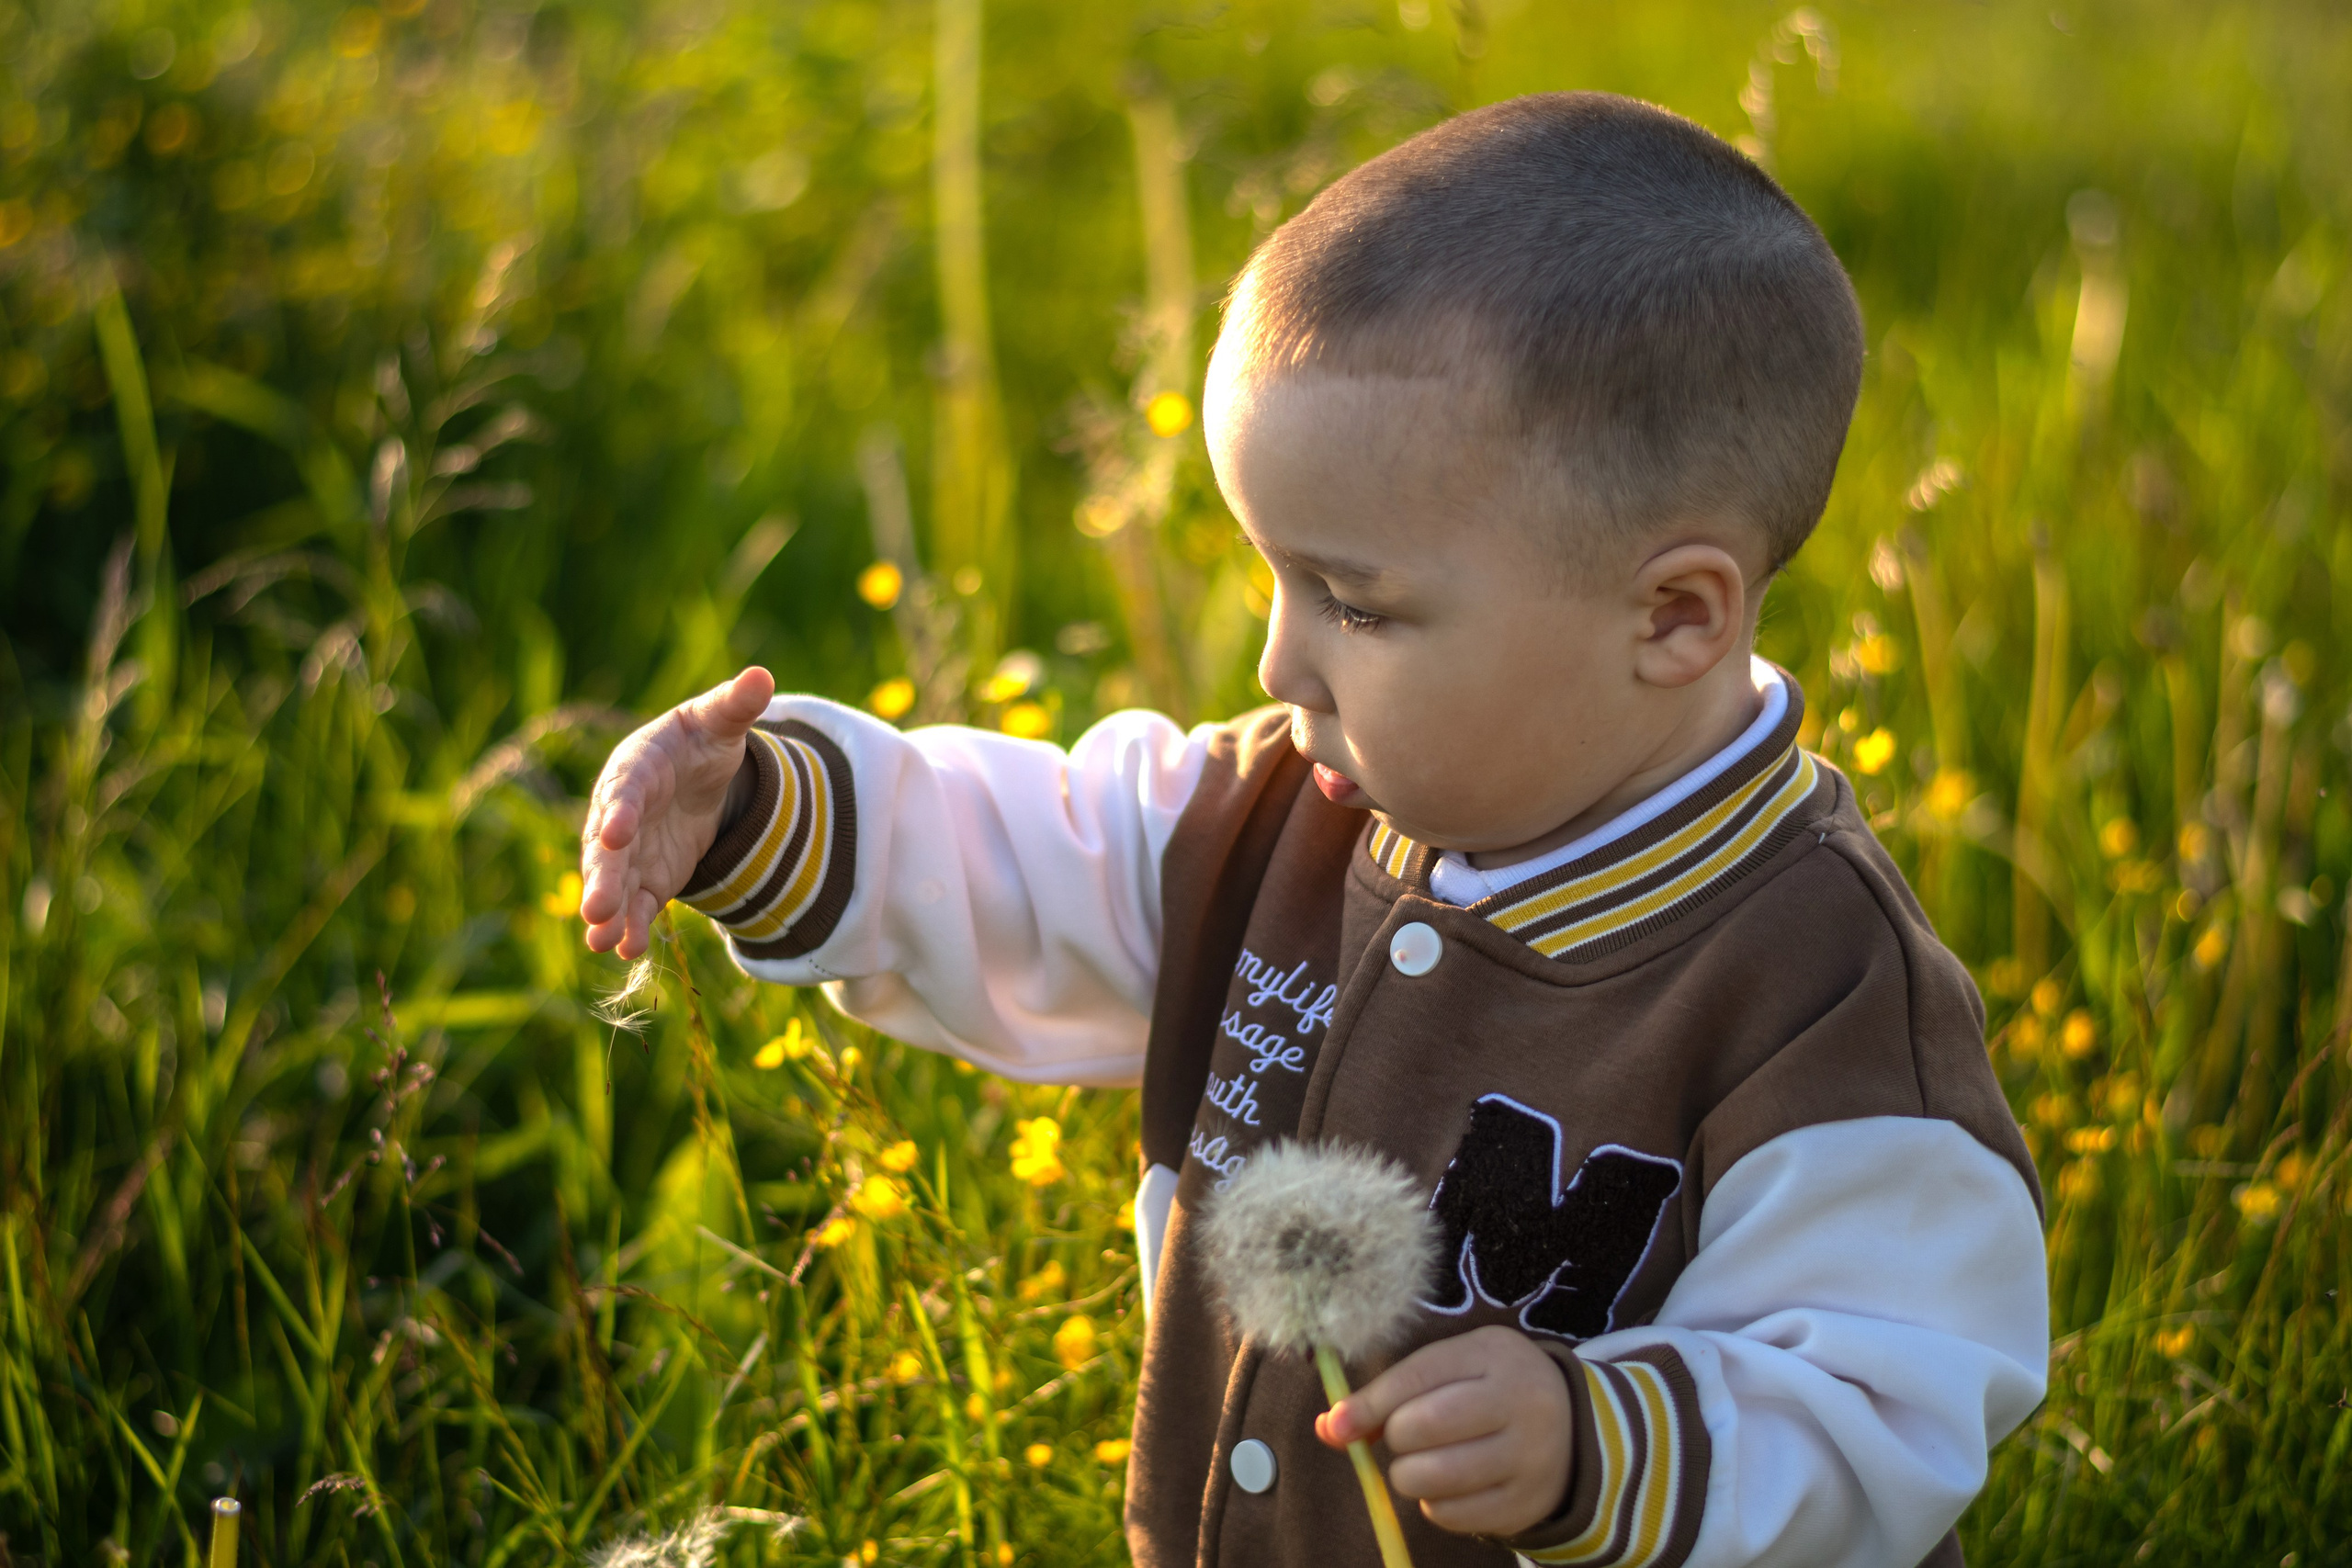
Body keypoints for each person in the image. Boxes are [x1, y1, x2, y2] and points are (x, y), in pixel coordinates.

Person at [579, 92, 2047, 1568]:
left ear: (1672, 617)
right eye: (1273, 579)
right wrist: (754, 810)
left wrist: (1596, 1444)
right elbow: (1023, 859)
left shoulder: (1818, 990)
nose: (1282, 664)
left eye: (1356, 605)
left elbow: (1890, 1400)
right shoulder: (1280, 813)